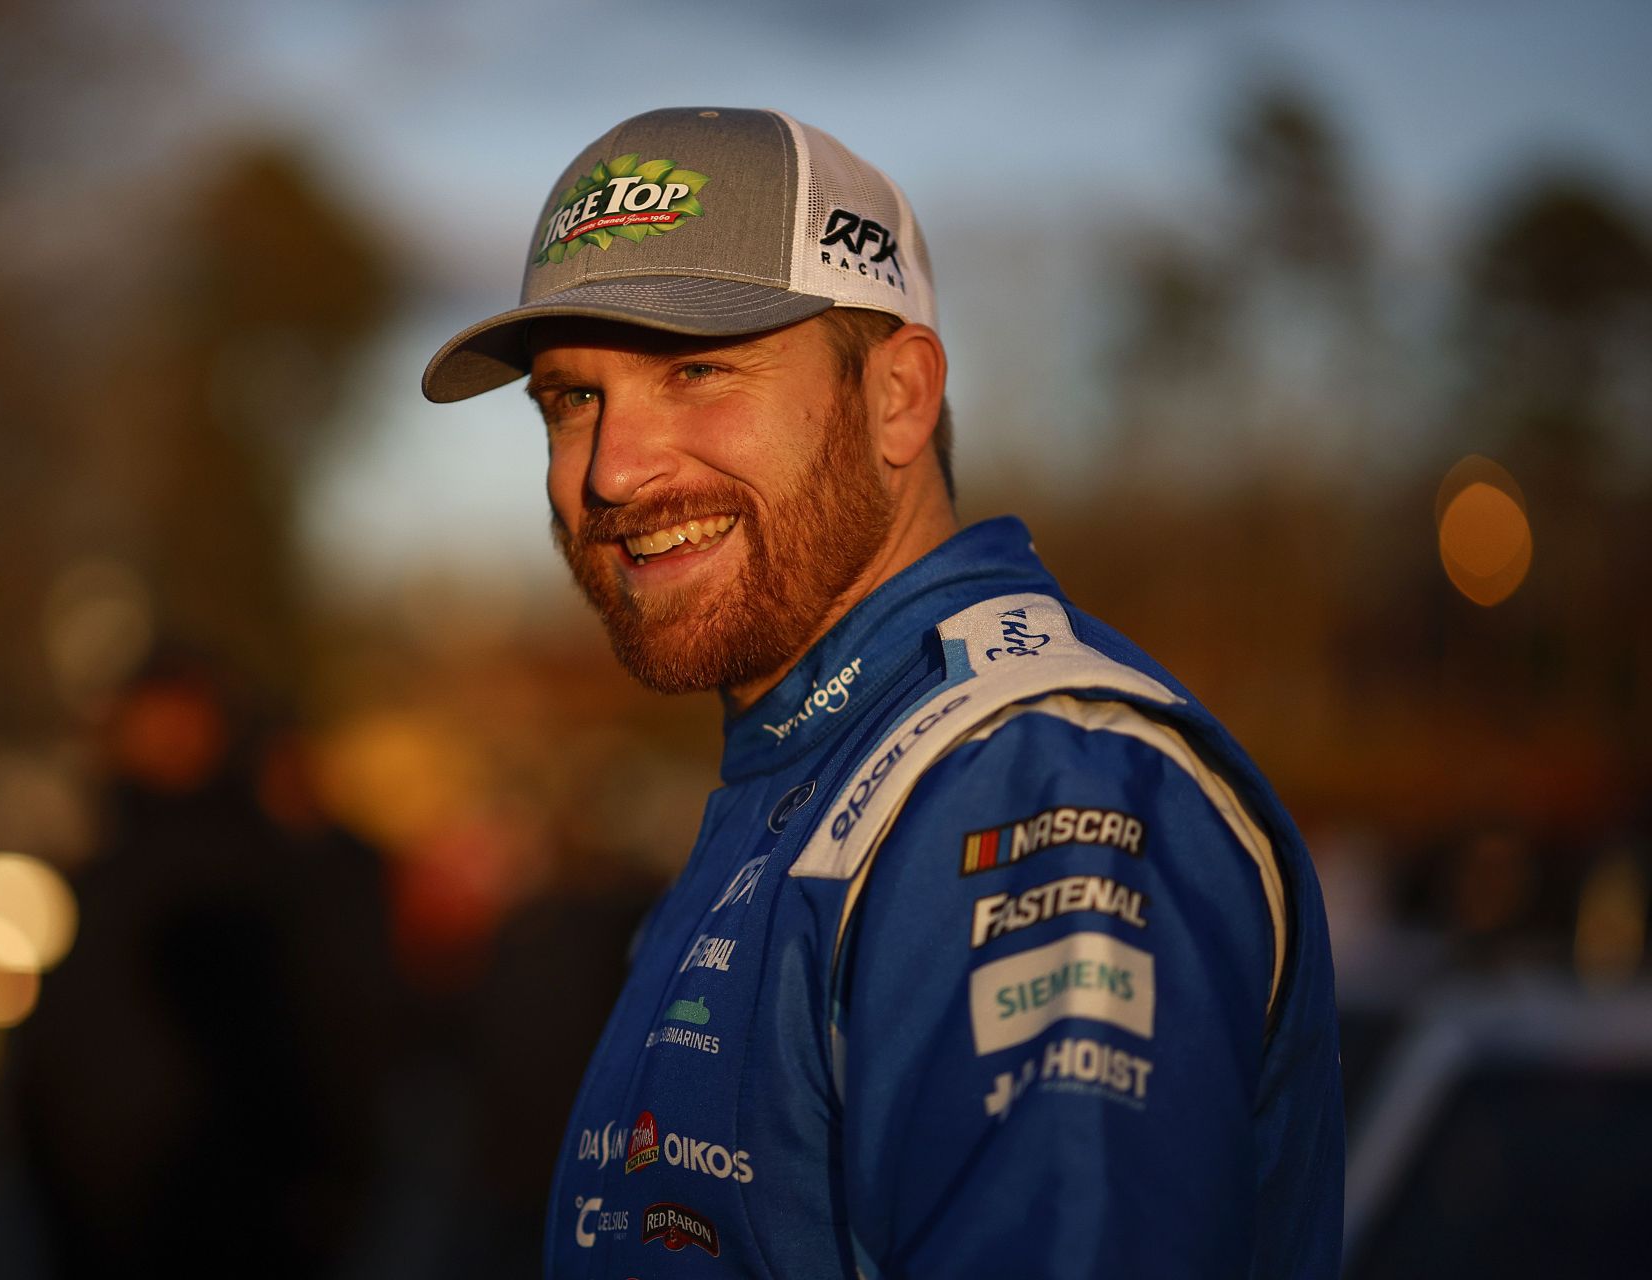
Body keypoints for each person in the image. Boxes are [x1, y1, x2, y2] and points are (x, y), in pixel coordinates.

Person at [422, 107, 1342, 1279]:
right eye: (570, 398)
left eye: (697, 369)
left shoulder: (1030, 780)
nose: (612, 467)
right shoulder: (814, 773)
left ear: (899, 396)